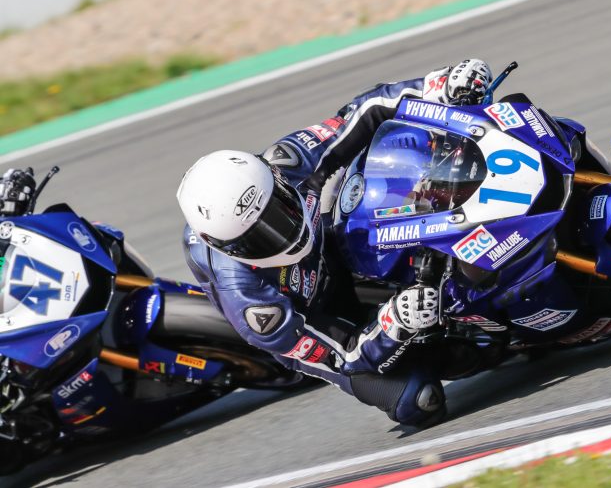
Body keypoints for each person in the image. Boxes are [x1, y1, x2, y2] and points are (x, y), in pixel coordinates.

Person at [175, 60, 492, 427]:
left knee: (398, 184)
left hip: (331, 245)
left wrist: (438, 86)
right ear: (228, 249)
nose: (283, 235)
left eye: (279, 211)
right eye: (257, 240)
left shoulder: (286, 161)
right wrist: (392, 324)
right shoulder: (253, 303)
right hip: (319, 317)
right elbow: (341, 355)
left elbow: (362, 112)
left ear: (276, 180)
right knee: (418, 401)